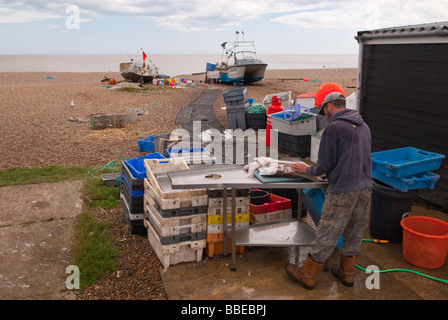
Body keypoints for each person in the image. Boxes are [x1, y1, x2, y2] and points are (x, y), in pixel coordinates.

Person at [285, 92, 373, 290]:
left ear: (329, 107)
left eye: (324, 111)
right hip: (365, 189)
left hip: (343, 191)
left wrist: (305, 169)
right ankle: (347, 273)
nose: (324, 116)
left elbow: (323, 166)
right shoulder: (364, 126)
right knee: (354, 232)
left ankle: (307, 274)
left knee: (327, 232)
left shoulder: (333, 128)